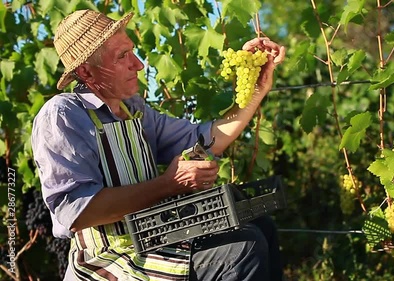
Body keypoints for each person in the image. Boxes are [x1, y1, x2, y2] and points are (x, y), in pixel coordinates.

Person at [31, 9, 286, 281]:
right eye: (122, 56)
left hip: (152, 240)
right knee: (241, 250)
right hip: (110, 260)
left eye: (131, 51)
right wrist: (170, 183)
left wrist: (257, 88)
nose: (138, 65)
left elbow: (210, 138)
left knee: (261, 226)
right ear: (85, 71)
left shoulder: (133, 111)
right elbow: (78, 211)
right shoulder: (63, 115)